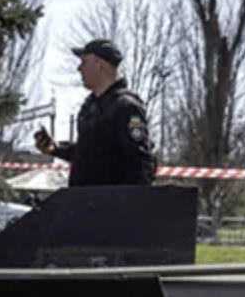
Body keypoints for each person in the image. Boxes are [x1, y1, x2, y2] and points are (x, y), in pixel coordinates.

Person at [34, 39, 155, 187]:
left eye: (84, 62)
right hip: (84, 197)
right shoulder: (90, 106)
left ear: (99, 64)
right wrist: (55, 149)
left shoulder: (126, 107)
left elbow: (140, 161)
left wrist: (132, 200)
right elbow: (89, 154)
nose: (79, 68)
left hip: (110, 199)